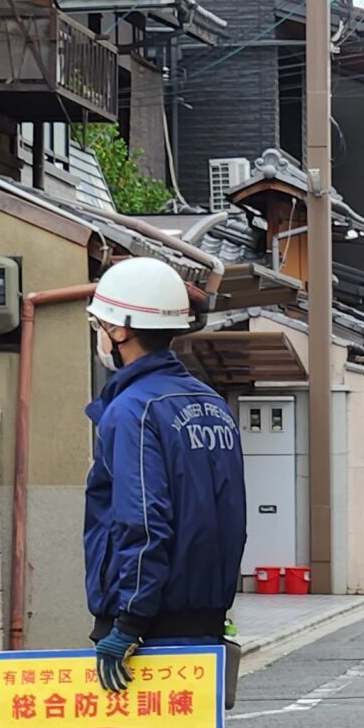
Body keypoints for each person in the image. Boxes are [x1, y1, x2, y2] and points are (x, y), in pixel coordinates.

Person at [82, 257, 247, 698]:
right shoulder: (211, 403)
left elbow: (143, 522)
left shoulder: (133, 411)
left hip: (146, 632)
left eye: (101, 325)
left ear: (121, 331)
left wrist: (128, 622)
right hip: (205, 621)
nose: (100, 336)